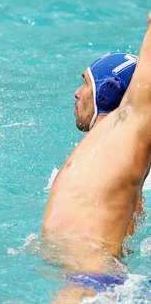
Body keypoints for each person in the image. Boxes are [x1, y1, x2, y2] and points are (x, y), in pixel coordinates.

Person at [41, 24, 151, 302]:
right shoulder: (106, 148)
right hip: (85, 279)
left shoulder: (129, 128)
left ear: (107, 90)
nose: (77, 93)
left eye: (85, 83)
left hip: (89, 284)